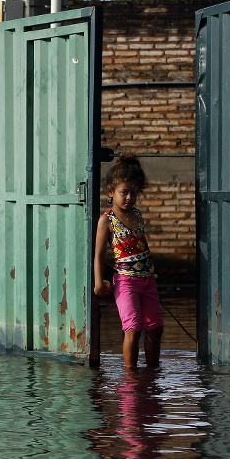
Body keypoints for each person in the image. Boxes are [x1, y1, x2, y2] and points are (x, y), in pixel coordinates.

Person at [93, 153, 163, 369]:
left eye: (134, 193)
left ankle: (152, 371)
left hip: (147, 280)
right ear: (111, 192)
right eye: (124, 193)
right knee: (133, 327)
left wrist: (150, 272)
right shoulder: (107, 220)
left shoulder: (137, 215)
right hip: (125, 282)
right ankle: (131, 376)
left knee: (155, 326)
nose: (129, 198)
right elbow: (99, 255)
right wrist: (98, 282)